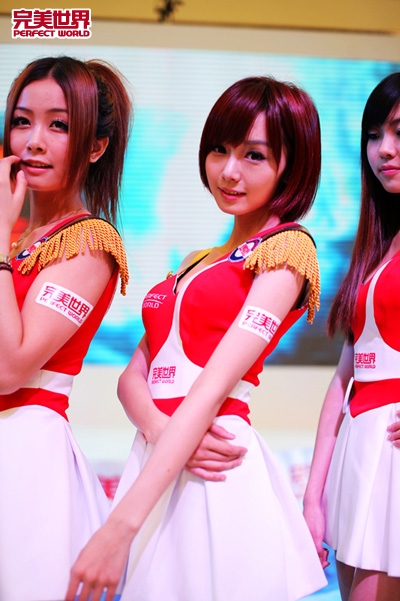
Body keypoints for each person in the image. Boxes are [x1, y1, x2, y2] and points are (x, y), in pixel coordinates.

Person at [67, 75, 327, 601]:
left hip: (215, 465)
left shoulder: (286, 251)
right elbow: (131, 377)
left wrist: (119, 529)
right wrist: (163, 433)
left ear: (291, 164)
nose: (229, 171)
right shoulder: (196, 260)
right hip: (164, 451)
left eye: (254, 155)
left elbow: (211, 388)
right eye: (220, 149)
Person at [0, 56, 131, 601]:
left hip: (24, 451)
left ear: (95, 147)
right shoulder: (16, 237)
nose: (33, 141)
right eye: (22, 121)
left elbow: (10, 368)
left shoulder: (89, 242)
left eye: (58, 125)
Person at [303, 72, 400, 601]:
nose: (383, 150)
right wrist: (313, 494)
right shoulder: (378, 247)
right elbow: (344, 381)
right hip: (357, 451)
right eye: (373, 135)